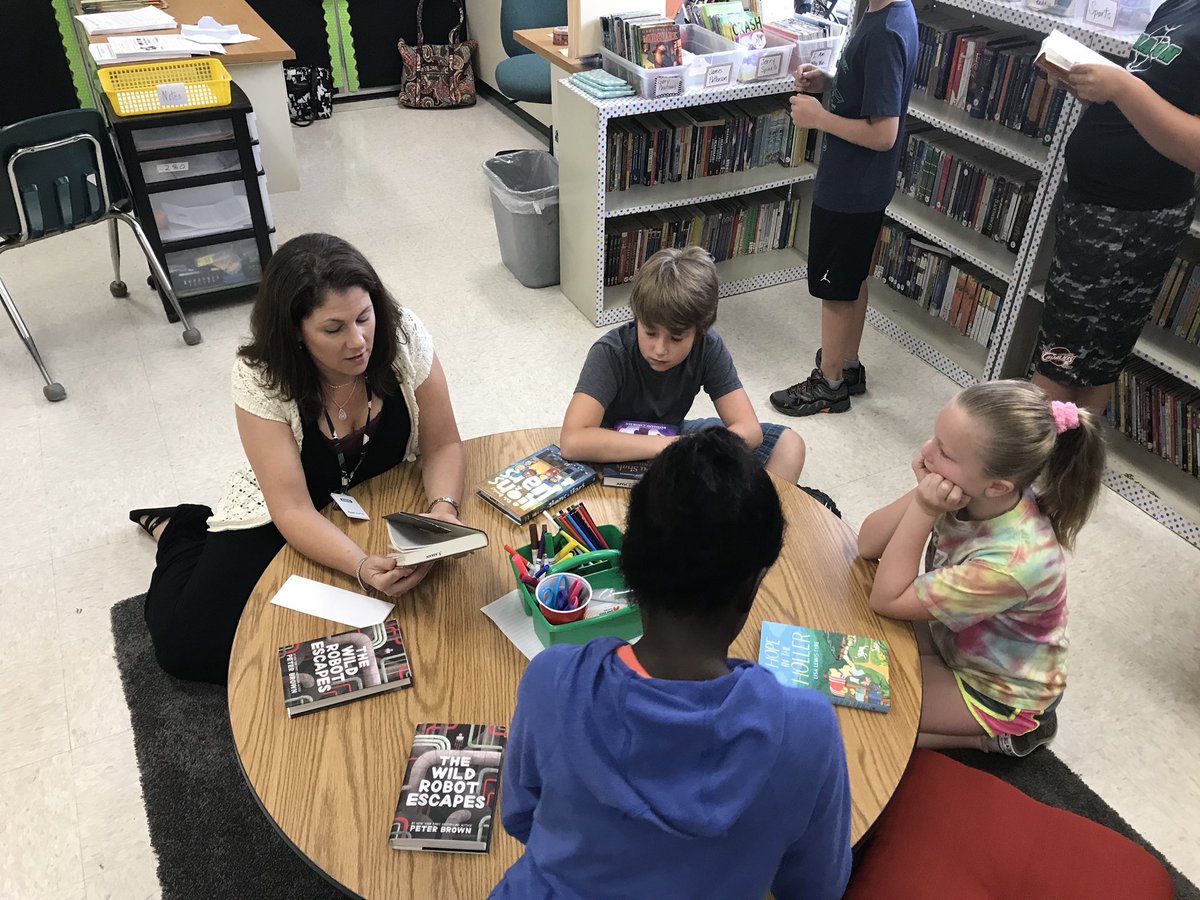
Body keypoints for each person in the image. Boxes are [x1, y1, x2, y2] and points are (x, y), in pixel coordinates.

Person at [492, 429, 852, 900]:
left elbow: (521, 817)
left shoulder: (553, 679)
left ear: (628, 562)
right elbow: (815, 888)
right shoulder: (806, 732)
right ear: (755, 581)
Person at [131, 233, 467, 684]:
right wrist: (361, 566)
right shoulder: (261, 375)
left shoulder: (402, 334)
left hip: (379, 482)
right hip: (285, 504)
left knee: (435, 608)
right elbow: (289, 507)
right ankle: (183, 529)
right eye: (333, 329)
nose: (358, 341)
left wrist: (442, 513)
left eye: (364, 317)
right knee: (189, 647)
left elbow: (443, 443)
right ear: (295, 332)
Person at [858, 381, 1105, 756]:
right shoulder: (976, 493)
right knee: (851, 653)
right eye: (935, 437)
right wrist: (923, 494)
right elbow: (868, 545)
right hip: (951, 639)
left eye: (945, 452)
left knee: (862, 713)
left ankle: (997, 738)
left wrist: (925, 509)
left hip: (997, 691)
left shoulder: (1012, 563)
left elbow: (886, 599)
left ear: (996, 486)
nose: (926, 452)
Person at [1033, 0, 1200, 416]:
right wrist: (1090, 86)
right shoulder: (1179, 5)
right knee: (1085, 363)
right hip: (1094, 208)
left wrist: (1122, 88)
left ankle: (1015, 472)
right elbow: (1151, 101)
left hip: (1131, 222)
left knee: (1061, 364)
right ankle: (1060, 475)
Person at [769, 0, 918, 416]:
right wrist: (830, 83)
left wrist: (819, 117)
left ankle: (829, 383)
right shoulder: (890, 13)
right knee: (853, 276)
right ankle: (848, 366)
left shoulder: (885, 31)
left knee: (834, 288)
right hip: (866, 183)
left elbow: (883, 133)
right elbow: (871, 93)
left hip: (850, 186)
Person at [559, 246, 807, 484]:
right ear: (637, 318)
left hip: (675, 437)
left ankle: (754, 522)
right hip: (613, 446)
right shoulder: (611, 352)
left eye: (676, 338)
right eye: (650, 332)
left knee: (788, 445)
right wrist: (676, 447)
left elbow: (750, 431)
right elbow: (573, 440)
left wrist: (682, 446)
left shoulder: (708, 346)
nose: (660, 349)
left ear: (699, 332)